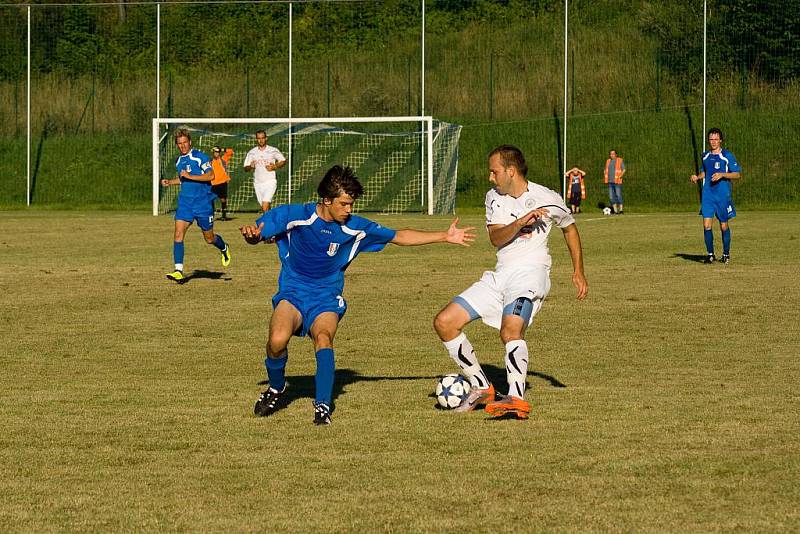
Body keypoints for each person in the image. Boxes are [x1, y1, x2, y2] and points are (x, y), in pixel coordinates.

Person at [240, 165, 476, 425]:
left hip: (326, 296)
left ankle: (322, 406)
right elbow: (259, 232)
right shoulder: (295, 215)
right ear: (326, 200)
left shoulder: (355, 228)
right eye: (344, 204)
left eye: (351, 204)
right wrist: (252, 235)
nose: (349, 210)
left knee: (323, 338)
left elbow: (398, 236)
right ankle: (276, 388)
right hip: (293, 291)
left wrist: (444, 236)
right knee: (277, 341)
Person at [433, 145, 588, 419]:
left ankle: (516, 397)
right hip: (500, 275)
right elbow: (496, 238)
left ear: (510, 171)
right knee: (445, 322)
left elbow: (570, 228)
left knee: (510, 330)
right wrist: (520, 222)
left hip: (530, 274)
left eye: (494, 172)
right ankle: (482, 387)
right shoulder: (494, 197)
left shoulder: (547, 198)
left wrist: (578, 271)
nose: (491, 178)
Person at [161, 128, 231, 283]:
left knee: (209, 239)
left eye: (185, 142)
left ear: (190, 142)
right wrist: (170, 182)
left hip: (203, 204)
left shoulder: (199, 157)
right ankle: (178, 270)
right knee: (178, 234)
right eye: (179, 144)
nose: (182, 146)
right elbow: (183, 179)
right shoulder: (179, 161)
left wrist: (189, 176)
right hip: (185, 204)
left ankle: (224, 247)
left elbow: (211, 175)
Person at [690, 127, 742, 264]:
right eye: (711, 139)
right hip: (708, 195)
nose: (713, 142)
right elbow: (705, 172)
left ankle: (726, 254)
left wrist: (722, 174)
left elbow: (737, 174)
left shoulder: (727, 156)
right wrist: (698, 177)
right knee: (706, 225)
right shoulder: (705, 156)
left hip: (722, 195)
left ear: (720, 140)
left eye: (715, 139)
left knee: (723, 226)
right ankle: (710, 254)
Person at [243, 129, 286, 212]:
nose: (261, 140)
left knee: (265, 205)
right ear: (256, 139)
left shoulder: (273, 150)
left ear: (266, 138)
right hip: (258, 183)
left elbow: (283, 161)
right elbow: (246, 168)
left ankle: (267, 224)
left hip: (270, 182)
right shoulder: (252, 152)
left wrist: (275, 166)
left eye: (262, 138)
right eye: (259, 138)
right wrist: (250, 167)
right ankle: (272, 222)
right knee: (265, 208)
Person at [210, 146, 234, 221]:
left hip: (222, 182)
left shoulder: (223, 159)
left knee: (223, 199)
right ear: (213, 153)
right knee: (211, 200)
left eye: (218, 152)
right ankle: (211, 216)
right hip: (213, 183)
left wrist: (222, 149)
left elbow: (230, 151)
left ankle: (224, 216)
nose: (217, 154)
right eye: (215, 152)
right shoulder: (210, 162)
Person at [603, 149, 626, 214]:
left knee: (618, 195)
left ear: (616, 154)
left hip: (617, 181)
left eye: (613, 154)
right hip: (610, 182)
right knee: (611, 197)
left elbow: (624, 169)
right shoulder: (608, 161)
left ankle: (621, 210)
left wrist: (620, 176)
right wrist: (605, 174)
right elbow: (605, 169)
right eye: (611, 154)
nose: (612, 155)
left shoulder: (620, 160)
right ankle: (615, 211)